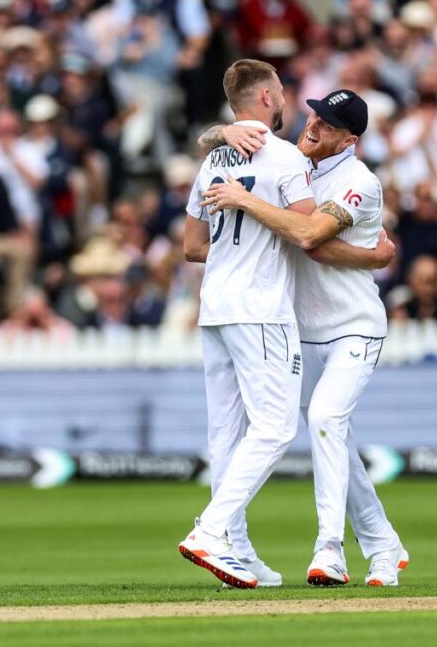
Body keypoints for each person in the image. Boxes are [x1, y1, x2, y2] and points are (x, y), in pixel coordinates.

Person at [200, 89, 408, 587]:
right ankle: (383, 545)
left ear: (350, 139)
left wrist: (245, 199)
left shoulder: (360, 182)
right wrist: (222, 132)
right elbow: (213, 143)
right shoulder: (292, 161)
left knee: (325, 419)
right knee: (332, 433)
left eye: (328, 124)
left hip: (353, 326)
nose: (313, 125)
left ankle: (330, 549)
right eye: (315, 114)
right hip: (300, 331)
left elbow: (311, 236)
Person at [176, 59, 316, 589]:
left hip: (216, 306)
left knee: (226, 435)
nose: (285, 99)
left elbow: (192, 246)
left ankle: (235, 545)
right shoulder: (283, 159)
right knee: (276, 426)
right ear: (263, 99)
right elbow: (308, 229)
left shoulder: (211, 161)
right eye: (280, 91)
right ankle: (210, 531)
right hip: (260, 308)